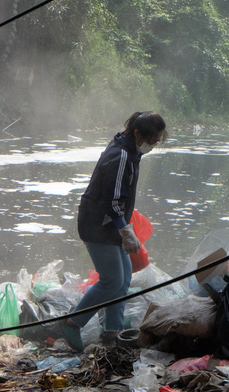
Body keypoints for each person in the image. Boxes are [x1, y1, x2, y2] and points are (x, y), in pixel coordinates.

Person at [60, 111, 167, 351]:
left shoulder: (130, 150)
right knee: (111, 281)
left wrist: (125, 225)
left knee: (124, 278)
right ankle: (71, 323)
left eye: (156, 141)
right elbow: (112, 200)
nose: (152, 145)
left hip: (113, 224)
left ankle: (113, 333)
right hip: (98, 225)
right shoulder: (120, 156)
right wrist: (126, 231)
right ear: (138, 134)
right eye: (150, 140)